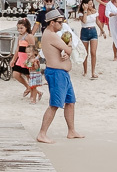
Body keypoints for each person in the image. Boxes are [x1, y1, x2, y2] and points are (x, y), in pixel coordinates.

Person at [36, 13, 83, 143]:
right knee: (54, 104)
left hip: (62, 73)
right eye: (59, 22)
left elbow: (63, 51)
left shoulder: (51, 35)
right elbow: (68, 49)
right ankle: (42, 133)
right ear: (52, 22)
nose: (61, 25)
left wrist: (66, 53)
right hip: (57, 73)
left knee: (70, 101)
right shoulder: (50, 35)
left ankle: (71, 130)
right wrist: (68, 48)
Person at [10, 18, 36, 95]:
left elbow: (33, 49)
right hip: (20, 58)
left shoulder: (29, 36)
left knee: (29, 76)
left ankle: (33, 93)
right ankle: (28, 87)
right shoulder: (20, 36)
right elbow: (17, 49)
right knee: (15, 74)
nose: (20, 30)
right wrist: (13, 60)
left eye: (21, 28)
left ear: (26, 27)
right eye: (18, 28)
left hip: (27, 58)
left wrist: (30, 59)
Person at [77, 0, 98, 79]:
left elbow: (97, 21)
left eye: (91, 3)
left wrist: (102, 30)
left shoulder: (94, 11)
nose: (90, 5)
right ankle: (85, 70)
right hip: (85, 31)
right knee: (85, 53)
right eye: (88, 3)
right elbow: (84, 21)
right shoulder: (81, 13)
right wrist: (85, 10)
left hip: (93, 30)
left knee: (93, 52)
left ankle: (93, 72)